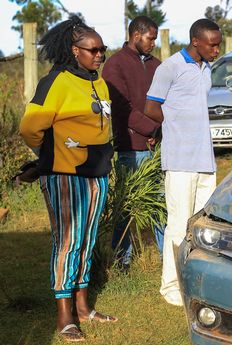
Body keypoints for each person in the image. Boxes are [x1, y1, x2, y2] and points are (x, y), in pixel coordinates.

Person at [19, 16, 117, 341]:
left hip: (97, 174)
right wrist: (50, 153)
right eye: (94, 50)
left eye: (103, 49)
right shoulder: (56, 81)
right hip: (65, 176)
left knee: (87, 241)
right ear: (75, 50)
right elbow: (30, 128)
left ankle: (85, 307)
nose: (100, 55)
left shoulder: (97, 81)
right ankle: (64, 317)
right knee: (68, 243)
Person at [144, 18, 222, 307]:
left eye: (218, 43)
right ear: (196, 42)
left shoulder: (207, 68)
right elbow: (150, 107)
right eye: (212, 44)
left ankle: (196, 280)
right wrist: (174, 125)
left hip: (205, 160)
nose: (217, 49)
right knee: (177, 225)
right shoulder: (171, 67)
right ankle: (171, 286)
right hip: (179, 160)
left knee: (201, 226)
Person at [102, 16, 163, 269]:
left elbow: (166, 101)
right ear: (136, 35)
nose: (153, 44)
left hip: (158, 146)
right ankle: (121, 262)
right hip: (131, 149)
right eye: (150, 39)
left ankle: (167, 258)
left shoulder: (158, 65)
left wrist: (159, 131)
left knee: (161, 204)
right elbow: (121, 109)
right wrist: (150, 128)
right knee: (126, 207)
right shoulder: (115, 65)